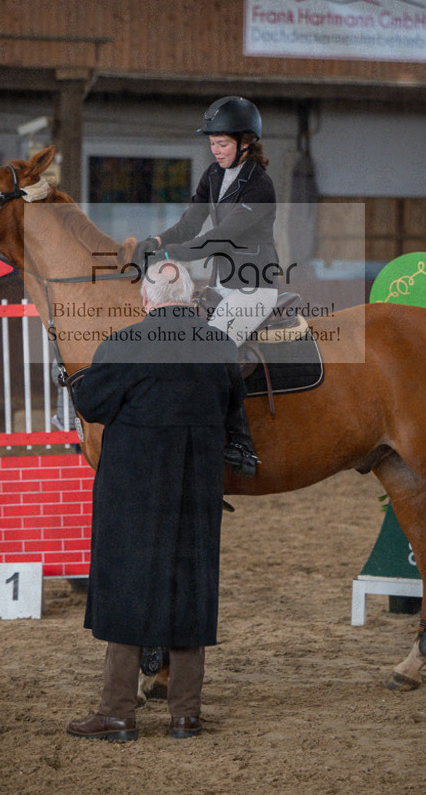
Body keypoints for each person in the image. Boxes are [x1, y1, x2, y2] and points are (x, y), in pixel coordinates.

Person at [67, 260, 246, 742]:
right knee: (191, 587)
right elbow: (234, 409)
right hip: (198, 490)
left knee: (128, 588)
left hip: (133, 491)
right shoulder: (220, 344)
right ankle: (185, 714)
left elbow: (92, 405)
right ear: (189, 299)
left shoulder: (124, 343)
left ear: (146, 300)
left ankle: (118, 713)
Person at [133, 95, 277, 457]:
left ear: (246, 143)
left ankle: (241, 442)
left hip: (254, 287)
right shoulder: (214, 174)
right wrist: (157, 239)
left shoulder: (259, 185)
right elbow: (191, 223)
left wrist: (167, 255)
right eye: (212, 143)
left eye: (223, 143)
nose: (215, 150)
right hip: (219, 286)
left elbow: (219, 238)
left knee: (213, 350)